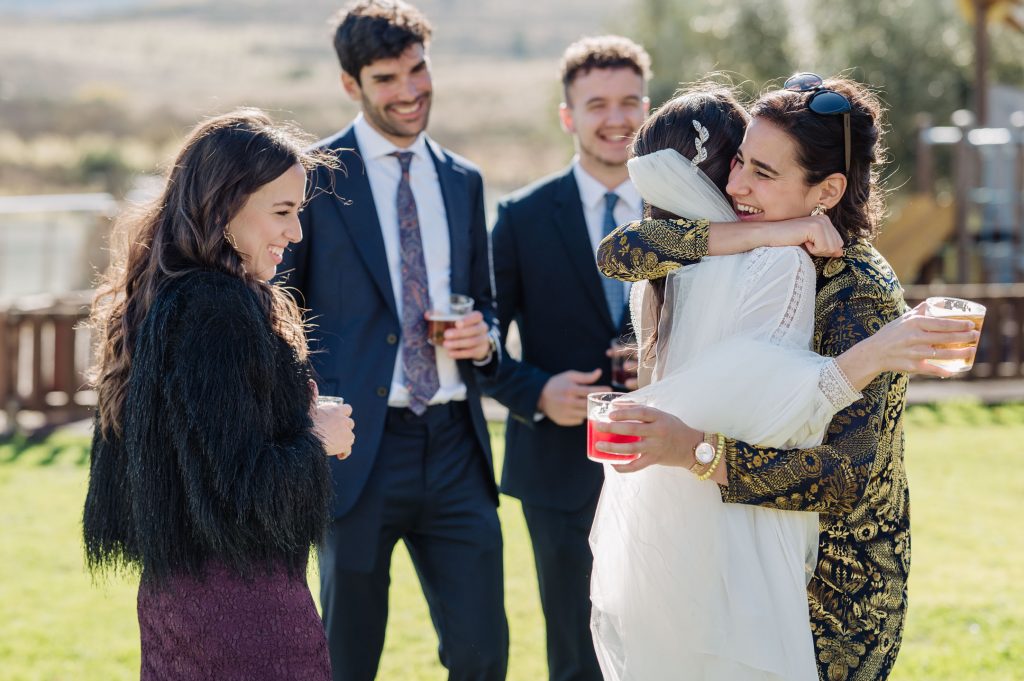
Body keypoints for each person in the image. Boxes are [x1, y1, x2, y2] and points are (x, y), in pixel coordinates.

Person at [594, 74, 977, 681]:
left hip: (830, 592)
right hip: (747, 568)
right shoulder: (758, 248)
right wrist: (768, 230)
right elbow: (622, 251)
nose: (735, 185)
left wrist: (691, 450)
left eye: (763, 173)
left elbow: (841, 479)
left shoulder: (860, 293)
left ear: (827, 190)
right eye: (740, 161)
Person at [82, 108, 356, 681]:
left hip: (178, 603)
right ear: (224, 205)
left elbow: (200, 457)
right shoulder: (214, 309)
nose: (295, 233)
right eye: (281, 211)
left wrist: (293, 419)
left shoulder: (168, 296)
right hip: (243, 614)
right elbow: (239, 490)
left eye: (298, 212)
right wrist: (316, 438)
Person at [278, 2, 507, 680]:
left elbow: (485, 303)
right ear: (350, 84)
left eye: (417, 70)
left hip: (457, 445)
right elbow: (279, 311)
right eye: (386, 78)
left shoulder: (463, 179)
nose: (409, 91)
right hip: (355, 451)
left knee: (483, 654)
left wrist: (483, 337)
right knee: (346, 659)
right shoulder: (313, 177)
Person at [481, 35, 650, 681]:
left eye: (630, 101)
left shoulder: (688, 212)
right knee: (576, 652)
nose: (616, 118)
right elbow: (481, 339)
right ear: (568, 116)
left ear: (648, 108)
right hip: (557, 468)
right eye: (597, 104)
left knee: (668, 637)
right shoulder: (520, 217)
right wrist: (536, 391)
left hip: (667, 456)